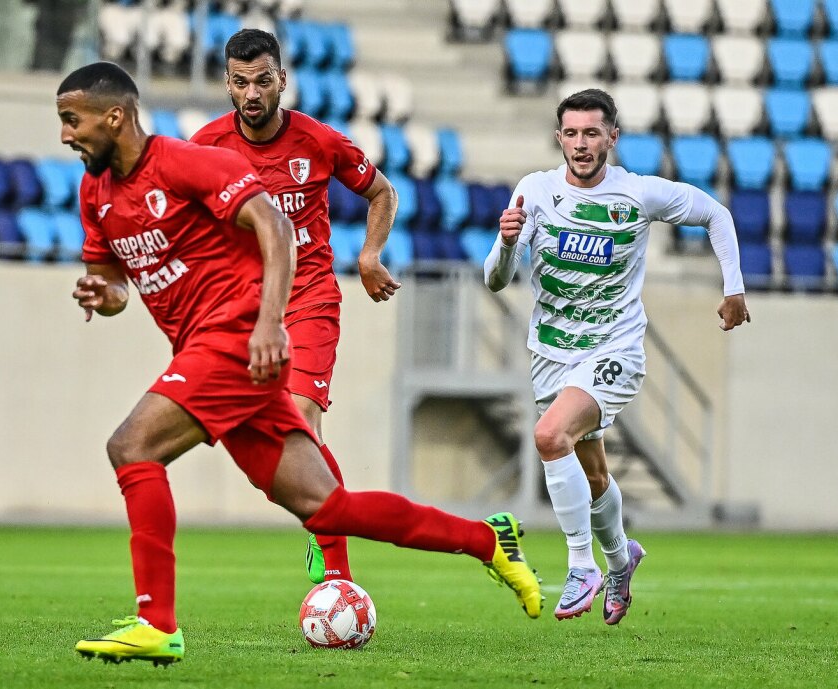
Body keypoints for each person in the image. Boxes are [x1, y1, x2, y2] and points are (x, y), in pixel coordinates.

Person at [60, 61, 543, 667]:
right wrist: (104, 296)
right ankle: (487, 540)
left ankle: (157, 622)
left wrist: (267, 324)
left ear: (115, 116)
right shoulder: (95, 192)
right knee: (327, 507)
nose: (65, 135)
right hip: (208, 351)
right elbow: (113, 285)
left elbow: (278, 230)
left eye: (71, 121)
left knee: (132, 447)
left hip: (233, 339)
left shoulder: (187, 161)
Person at [484, 89, 751, 624]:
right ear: (559, 137)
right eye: (571, 133)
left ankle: (581, 565)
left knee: (547, 436)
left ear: (613, 136)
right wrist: (508, 243)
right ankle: (620, 558)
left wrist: (734, 288)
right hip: (553, 352)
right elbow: (496, 280)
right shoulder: (534, 192)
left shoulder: (638, 194)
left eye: (592, 133)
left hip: (616, 348)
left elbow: (716, 215)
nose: (581, 145)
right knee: (596, 475)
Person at [189, 28, 400, 587]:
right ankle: (321, 516)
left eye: (263, 81)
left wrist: (370, 254)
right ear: (228, 85)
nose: (252, 93)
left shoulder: (318, 141)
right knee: (274, 446)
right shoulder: (207, 147)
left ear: (282, 79)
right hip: (244, 309)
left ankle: (338, 573)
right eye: (240, 83)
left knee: (303, 423)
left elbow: (382, 192)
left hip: (308, 298)